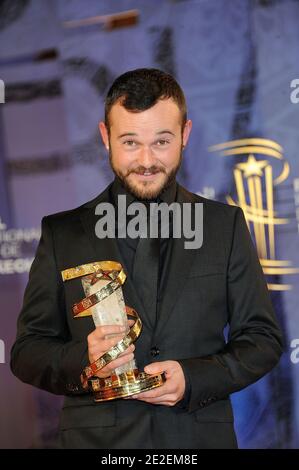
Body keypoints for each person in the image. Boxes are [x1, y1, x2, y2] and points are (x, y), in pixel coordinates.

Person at [11, 68, 283, 449]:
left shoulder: (225, 225)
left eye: (161, 141)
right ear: (106, 137)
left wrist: (194, 378)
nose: (146, 160)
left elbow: (263, 339)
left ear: (185, 135)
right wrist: (85, 361)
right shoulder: (63, 233)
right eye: (130, 142)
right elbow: (27, 353)